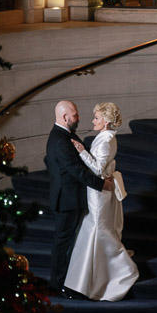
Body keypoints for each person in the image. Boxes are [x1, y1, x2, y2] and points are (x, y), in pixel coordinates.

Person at [64, 101, 139, 301]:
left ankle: (122, 270)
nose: (93, 120)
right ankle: (86, 281)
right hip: (96, 192)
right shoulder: (105, 136)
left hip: (99, 193)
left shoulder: (106, 140)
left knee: (97, 230)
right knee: (93, 231)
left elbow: (97, 170)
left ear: (105, 121)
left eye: (96, 118)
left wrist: (81, 151)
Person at [45, 99, 114, 293]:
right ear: (65, 117)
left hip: (68, 196)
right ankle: (58, 285)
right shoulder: (60, 139)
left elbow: (49, 161)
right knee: (63, 245)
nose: (79, 117)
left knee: (67, 243)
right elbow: (76, 170)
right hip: (67, 200)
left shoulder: (63, 135)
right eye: (75, 115)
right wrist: (102, 184)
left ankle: (65, 282)